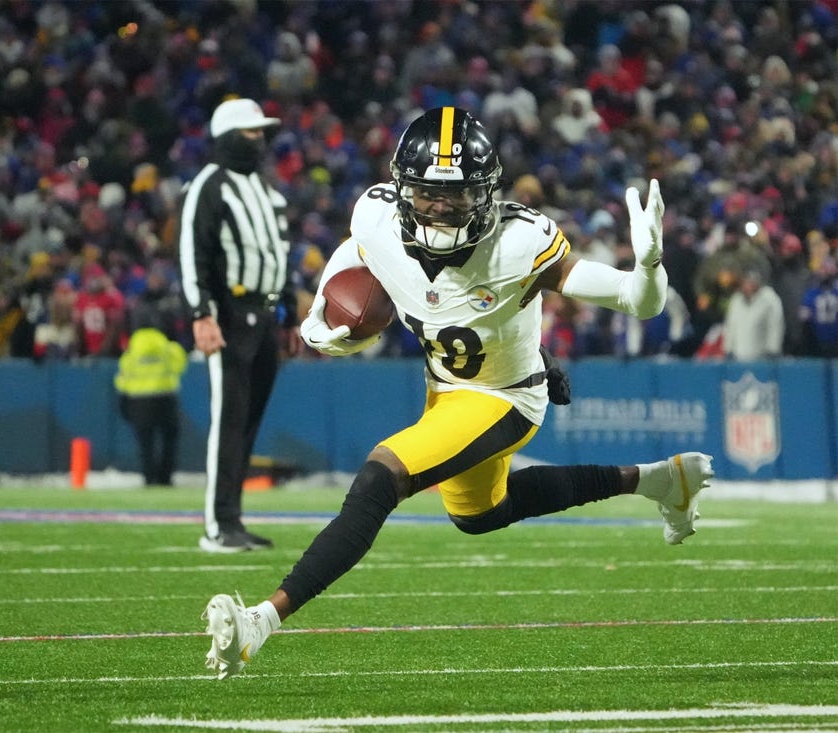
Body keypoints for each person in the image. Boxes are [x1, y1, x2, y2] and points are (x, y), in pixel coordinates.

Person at [201, 106, 714, 679]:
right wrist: (322, 313)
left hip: (505, 397)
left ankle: (260, 622)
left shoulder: (520, 243)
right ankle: (660, 480)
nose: (441, 208)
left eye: (459, 194)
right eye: (426, 193)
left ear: (487, 194)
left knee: (380, 478)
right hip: (446, 389)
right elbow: (356, 251)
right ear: (401, 190)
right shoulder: (375, 216)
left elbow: (637, 302)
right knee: (480, 516)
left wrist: (649, 266)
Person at [178, 97, 301, 553]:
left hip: (266, 317)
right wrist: (201, 313)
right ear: (229, 136)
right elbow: (194, 256)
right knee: (228, 422)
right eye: (251, 132)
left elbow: (280, 256)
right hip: (230, 315)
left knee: (248, 423)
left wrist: (287, 313)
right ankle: (217, 525)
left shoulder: (268, 192)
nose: (260, 140)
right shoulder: (209, 186)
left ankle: (233, 518)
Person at [114, 326, 188, 487]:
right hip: (165, 398)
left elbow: (123, 377)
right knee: (169, 440)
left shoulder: (132, 351)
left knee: (145, 443)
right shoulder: (168, 348)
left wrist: (124, 403)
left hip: (140, 401)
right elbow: (180, 365)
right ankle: (165, 477)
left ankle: (149, 477)